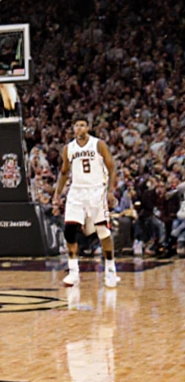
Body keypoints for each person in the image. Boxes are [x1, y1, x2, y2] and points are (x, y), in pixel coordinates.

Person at [52, 116, 118, 287]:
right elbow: (65, 172)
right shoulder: (69, 148)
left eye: (82, 125)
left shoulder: (98, 144)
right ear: (73, 129)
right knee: (69, 231)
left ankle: (110, 270)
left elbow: (111, 167)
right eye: (76, 125)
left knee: (103, 231)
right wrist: (57, 194)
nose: (79, 128)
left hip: (96, 190)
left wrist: (110, 191)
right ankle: (73, 272)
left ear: (88, 128)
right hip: (76, 192)